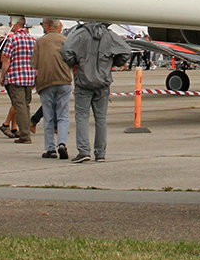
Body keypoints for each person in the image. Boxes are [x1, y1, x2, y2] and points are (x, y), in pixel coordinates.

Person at [62, 21, 131, 163]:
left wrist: (74, 63)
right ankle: (100, 153)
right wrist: (113, 62)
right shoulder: (109, 35)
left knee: (82, 116)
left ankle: (84, 151)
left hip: (84, 81)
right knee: (101, 118)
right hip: (103, 82)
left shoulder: (80, 34)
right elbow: (126, 50)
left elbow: (65, 50)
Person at [33, 18, 72, 159]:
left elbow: (35, 65)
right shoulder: (65, 40)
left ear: (48, 25)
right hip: (64, 80)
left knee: (48, 116)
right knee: (63, 115)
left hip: (46, 81)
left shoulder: (40, 42)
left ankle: (50, 148)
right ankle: (62, 143)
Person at [0, 17, 37, 144]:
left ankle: (25, 135)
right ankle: (25, 130)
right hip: (29, 77)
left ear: (16, 25)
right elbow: (36, 60)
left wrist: (2, 76)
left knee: (19, 106)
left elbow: (6, 59)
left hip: (16, 77)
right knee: (26, 105)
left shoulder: (12, 39)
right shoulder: (32, 39)